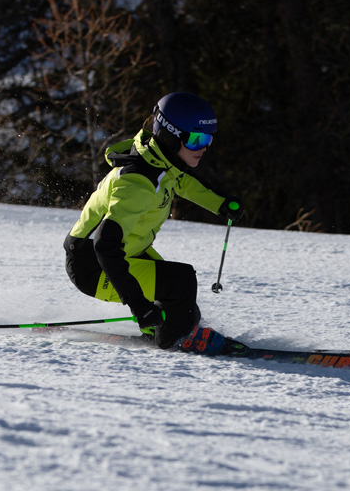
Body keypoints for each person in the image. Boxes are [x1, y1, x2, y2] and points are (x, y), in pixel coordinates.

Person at [64, 92, 245, 350]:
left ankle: (172, 332)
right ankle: (176, 344)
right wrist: (139, 306)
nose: (203, 148)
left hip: (127, 251)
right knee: (180, 283)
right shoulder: (137, 184)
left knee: (183, 304)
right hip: (93, 266)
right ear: (171, 136)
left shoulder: (160, 160)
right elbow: (104, 244)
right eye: (195, 140)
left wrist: (220, 203)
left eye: (208, 140)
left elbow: (182, 182)